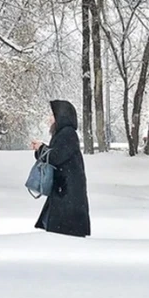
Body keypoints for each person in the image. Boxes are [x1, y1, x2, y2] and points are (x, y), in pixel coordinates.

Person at [29, 100, 91, 238]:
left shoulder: (67, 134)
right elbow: (56, 154)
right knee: (58, 230)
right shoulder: (63, 133)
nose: (49, 118)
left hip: (67, 191)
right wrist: (41, 149)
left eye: (53, 115)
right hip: (64, 190)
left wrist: (41, 148)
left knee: (63, 232)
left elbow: (57, 157)